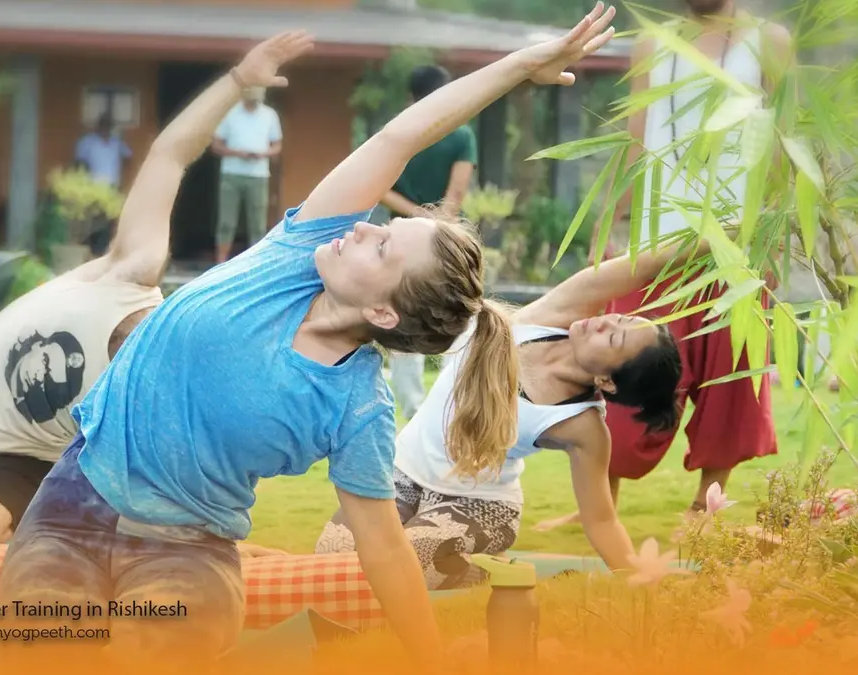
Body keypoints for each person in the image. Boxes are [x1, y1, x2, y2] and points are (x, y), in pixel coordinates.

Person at [0, 7, 617, 668]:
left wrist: (429, 658)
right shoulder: (300, 250)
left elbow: (382, 547)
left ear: (382, 314)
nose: (364, 228)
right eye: (380, 224)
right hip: (73, 502)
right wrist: (521, 66)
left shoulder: (358, 406)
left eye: (381, 248)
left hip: (188, 550)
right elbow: (398, 140)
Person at [0, 43, 280, 558]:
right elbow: (170, 154)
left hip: (19, 459)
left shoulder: (143, 400)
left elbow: (162, 485)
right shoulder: (131, 269)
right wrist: (239, 80)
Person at [316, 235, 704, 589]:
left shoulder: (582, 425)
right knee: (332, 564)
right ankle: (473, 563)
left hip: (476, 504)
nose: (603, 321)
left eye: (613, 336)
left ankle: (486, 570)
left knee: (401, 569)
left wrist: (637, 580)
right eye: (620, 318)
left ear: (607, 382)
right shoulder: (552, 317)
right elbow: (642, 264)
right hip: (400, 471)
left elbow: (602, 520)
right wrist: (724, 240)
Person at [540, 0, 794, 530]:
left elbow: (782, 147)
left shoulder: (770, 42)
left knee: (730, 382)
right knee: (615, 369)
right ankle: (599, 500)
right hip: (654, 245)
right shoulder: (654, 45)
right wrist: (608, 223)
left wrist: (772, 235)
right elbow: (635, 144)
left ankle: (706, 504)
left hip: (734, 246)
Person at [381, 64, 479, 420]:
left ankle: (412, 407)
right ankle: (466, 398)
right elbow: (456, 192)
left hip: (398, 234)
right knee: (462, 309)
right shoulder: (462, 134)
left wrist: (415, 216)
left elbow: (381, 186)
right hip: (446, 234)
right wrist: (437, 223)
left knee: (404, 312)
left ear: (411, 97)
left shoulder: (399, 130)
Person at [211, 85, 282, 262]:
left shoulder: (269, 115)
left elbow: (277, 145)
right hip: (231, 174)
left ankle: (254, 263)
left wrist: (263, 153)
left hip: (258, 176)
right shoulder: (230, 114)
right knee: (227, 221)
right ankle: (221, 262)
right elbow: (216, 145)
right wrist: (237, 153)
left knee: (257, 223)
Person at [75, 111, 133, 189]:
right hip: (93, 185)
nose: (105, 128)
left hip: (113, 185)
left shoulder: (116, 142)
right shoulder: (87, 141)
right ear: (98, 125)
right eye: (103, 125)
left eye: (108, 125)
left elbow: (128, 155)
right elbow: (79, 163)